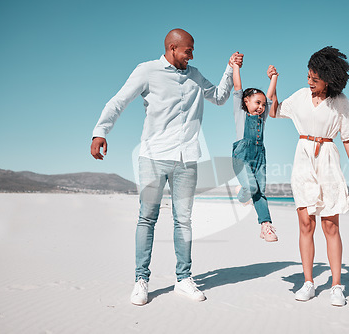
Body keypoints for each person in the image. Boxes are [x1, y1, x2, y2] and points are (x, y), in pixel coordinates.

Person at [90, 28, 243, 305]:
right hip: (153, 157)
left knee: (183, 220)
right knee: (147, 217)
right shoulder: (147, 71)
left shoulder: (195, 75)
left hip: (187, 159)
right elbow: (119, 101)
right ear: (173, 48)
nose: (192, 55)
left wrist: (229, 68)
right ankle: (141, 280)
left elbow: (219, 97)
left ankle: (183, 279)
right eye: (188, 50)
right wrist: (101, 131)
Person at [269, 46, 349, 306]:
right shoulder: (299, 96)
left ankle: (336, 285)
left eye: (315, 79)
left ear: (329, 78)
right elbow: (274, 111)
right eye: (308, 76)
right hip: (303, 159)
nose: (309, 82)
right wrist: (273, 82)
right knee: (305, 224)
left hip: (329, 159)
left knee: (330, 225)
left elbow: (348, 137)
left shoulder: (340, 101)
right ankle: (308, 282)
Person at [230, 57, 279, 242]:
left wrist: (273, 77)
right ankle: (242, 195)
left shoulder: (262, 118)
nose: (260, 106)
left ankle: (265, 226)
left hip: (260, 157)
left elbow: (270, 96)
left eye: (262, 104)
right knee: (250, 187)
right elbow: (237, 87)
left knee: (260, 191)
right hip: (241, 156)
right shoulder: (240, 113)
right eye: (256, 102)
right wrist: (236, 67)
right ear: (246, 102)